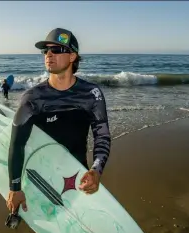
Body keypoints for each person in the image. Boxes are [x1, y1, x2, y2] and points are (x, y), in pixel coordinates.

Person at [6, 28, 111, 214]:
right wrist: (15, 188)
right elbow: (17, 144)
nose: (49, 54)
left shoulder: (91, 94)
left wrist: (96, 170)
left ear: (72, 56)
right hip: (40, 176)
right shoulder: (33, 98)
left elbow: (101, 136)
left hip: (77, 175)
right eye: (45, 50)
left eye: (56, 50)